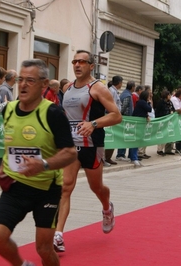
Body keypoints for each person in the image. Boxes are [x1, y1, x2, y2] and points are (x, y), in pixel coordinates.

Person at [0, 59, 77, 266]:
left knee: (44, 249)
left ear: (44, 85)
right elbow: (11, 146)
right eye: (21, 79)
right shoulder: (9, 110)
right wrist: (1, 169)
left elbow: (70, 153)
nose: (24, 84)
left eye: (30, 80)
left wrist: (43, 164)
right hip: (15, 187)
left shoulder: (53, 113)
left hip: (46, 189)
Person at [54, 50, 122, 252]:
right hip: (70, 145)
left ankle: (107, 207)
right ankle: (58, 235)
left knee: (97, 187)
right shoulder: (66, 88)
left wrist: (93, 123)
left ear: (91, 66)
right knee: (66, 187)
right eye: (75, 61)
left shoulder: (98, 88)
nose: (77, 65)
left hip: (91, 145)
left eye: (82, 62)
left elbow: (116, 116)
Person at [104, 75, 122, 166]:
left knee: (113, 138)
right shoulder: (112, 91)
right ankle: (105, 158)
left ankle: (108, 157)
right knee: (110, 138)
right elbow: (111, 105)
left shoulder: (115, 91)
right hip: (111, 117)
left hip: (115, 117)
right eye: (121, 82)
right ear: (119, 83)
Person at [116, 80, 135, 161]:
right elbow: (122, 108)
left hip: (125, 119)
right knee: (123, 137)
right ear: (132, 87)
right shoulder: (127, 96)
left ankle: (121, 154)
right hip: (125, 119)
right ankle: (120, 154)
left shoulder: (125, 93)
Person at [131, 90, 152, 166]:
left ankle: (134, 157)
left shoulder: (141, 102)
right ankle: (134, 158)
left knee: (137, 141)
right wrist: (149, 102)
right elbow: (149, 109)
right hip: (137, 124)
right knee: (136, 141)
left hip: (139, 123)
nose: (150, 97)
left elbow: (142, 111)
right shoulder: (142, 102)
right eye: (149, 96)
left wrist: (146, 116)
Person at [155, 90, 174, 156]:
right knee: (161, 135)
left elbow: (173, 109)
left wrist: (171, 111)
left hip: (168, 120)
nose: (170, 96)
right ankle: (159, 149)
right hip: (161, 120)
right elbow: (157, 112)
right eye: (169, 95)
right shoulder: (160, 102)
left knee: (166, 135)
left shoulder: (170, 103)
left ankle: (163, 148)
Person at [171, 87, 181, 154]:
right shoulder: (174, 99)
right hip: (175, 119)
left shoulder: (180, 101)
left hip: (180, 119)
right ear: (180, 95)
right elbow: (178, 110)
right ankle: (177, 148)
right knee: (177, 133)